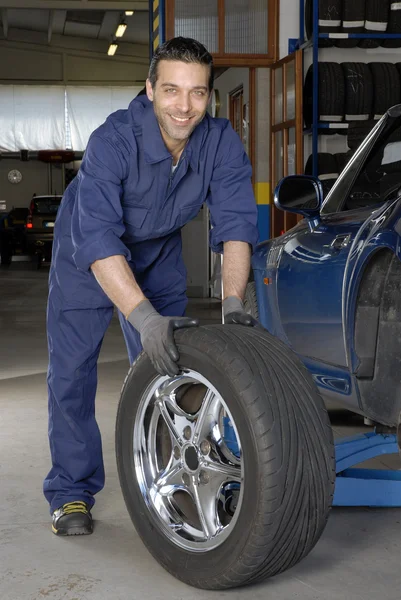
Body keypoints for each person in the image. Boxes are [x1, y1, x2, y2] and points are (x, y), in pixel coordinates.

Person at [45, 36, 259, 536]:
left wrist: (232, 304)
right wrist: (143, 317)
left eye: (198, 93)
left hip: (157, 256)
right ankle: (71, 492)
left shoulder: (219, 141)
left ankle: (176, 481)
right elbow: (98, 239)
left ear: (209, 96)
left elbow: (236, 226)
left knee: (170, 369)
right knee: (72, 375)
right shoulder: (112, 140)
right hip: (87, 260)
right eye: (171, 90)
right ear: (149, 89)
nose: (184, 107)